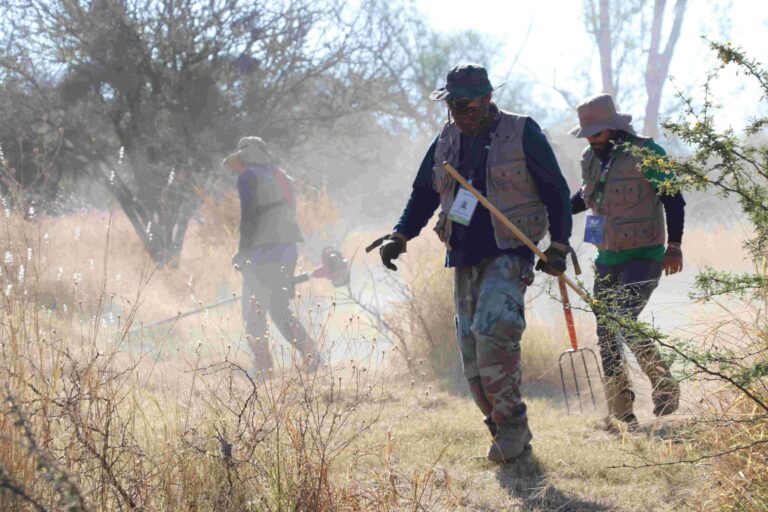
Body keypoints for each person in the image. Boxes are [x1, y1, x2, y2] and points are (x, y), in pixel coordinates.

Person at [368, 64, 573, 462]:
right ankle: (500, 427)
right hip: (463, 255)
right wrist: (400, 234)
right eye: (453, 105)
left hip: (510, 250)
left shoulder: (522, 131)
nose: (459, 112)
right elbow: (423, 195)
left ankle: (513, 428)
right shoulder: (445, 141)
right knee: (471, 350)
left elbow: (557, 191)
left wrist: (560, 245)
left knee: (494, 329)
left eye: (466, 104)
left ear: (487, 98)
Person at [569, 94, 684, 427]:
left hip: (645, 253)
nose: (591, 137)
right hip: (607, 256)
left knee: (623, 317)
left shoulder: (648, 153)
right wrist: (556, 209)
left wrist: (674, 246)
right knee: (606, 328)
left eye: (597, 130)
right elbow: (586, 195)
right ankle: (621, 408)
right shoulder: (589, 157)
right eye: (587, 132)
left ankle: (664, 387)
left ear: (614, 127)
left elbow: (674, 200)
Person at [222, 136, 323, 374]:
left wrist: (242, 252)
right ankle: (314, 358)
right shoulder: (282, 176)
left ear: (243, 155)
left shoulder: (247, 176)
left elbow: (248, 217)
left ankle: (264, 370)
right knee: (278, 308)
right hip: (288, 248)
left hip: (262, 250)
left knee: (253, 310)